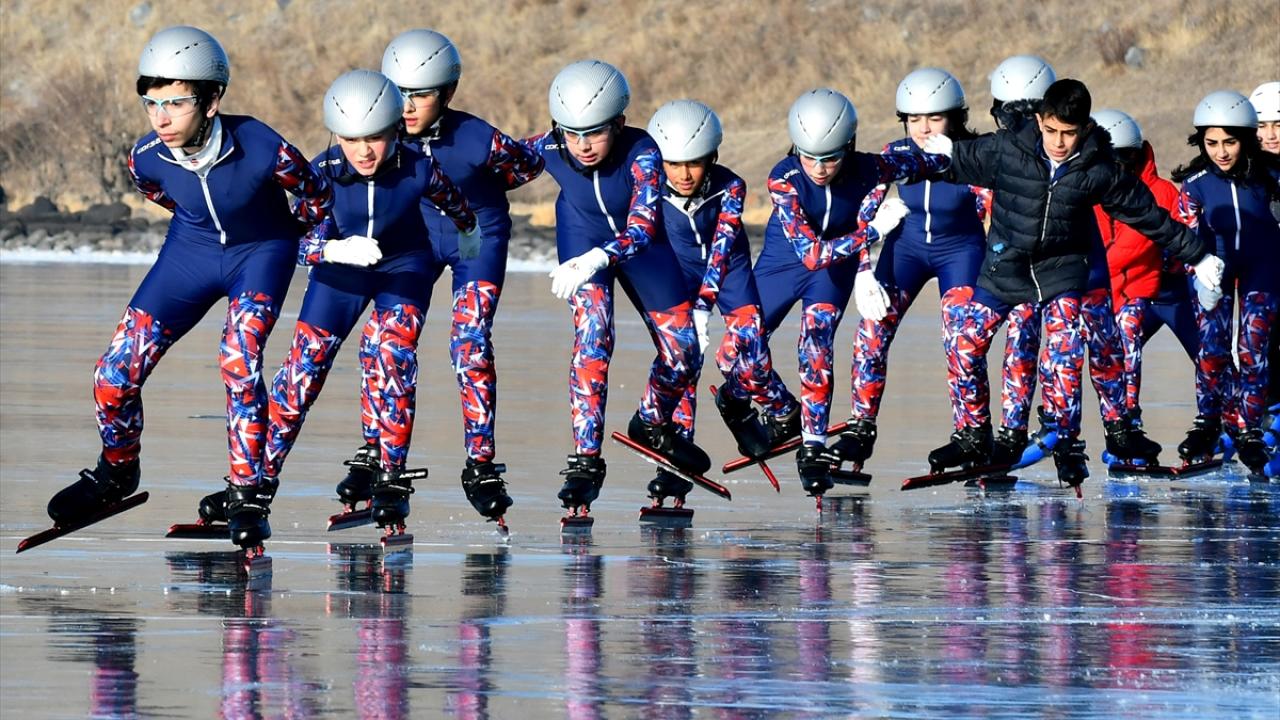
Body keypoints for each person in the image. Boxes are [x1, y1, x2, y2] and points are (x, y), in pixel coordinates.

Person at [44, 26, 333, 550]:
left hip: (261, 253)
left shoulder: (264, 146)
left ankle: (247, 494)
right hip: (191, 252)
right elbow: (160, 193)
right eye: (151, 103)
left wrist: (298, 247)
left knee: (238, 359)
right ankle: (116, 469)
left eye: (176, 102)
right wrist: (202, 230)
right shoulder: (145, 157)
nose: (161, 117)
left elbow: (316, 200)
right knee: (113, 373)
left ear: (212, 99)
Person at [922, 78, 1223, 486]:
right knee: (963, 344)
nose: (1059, 142)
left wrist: (1199, 255)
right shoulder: (1009, 148)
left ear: (1083, 128)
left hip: (1062, 273)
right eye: (1051, 131)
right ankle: (974, 435)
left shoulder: (1097, 169)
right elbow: (958, 159)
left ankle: (1066, 440)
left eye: (1068, 133)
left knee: (1063, 355)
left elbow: (1149, 217)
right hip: (1007, 270)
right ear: (1040, 120)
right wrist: (935, 155)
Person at [263, 70, 482, 536]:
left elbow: (455, 201)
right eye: (351, 139)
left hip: (404, 266)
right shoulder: (320, 175)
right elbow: (292, 243)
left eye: (376, 138)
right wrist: (331, 249)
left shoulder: (418, 167)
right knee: (300, 375)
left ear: (395, 131)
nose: (364, 151)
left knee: (393, 356)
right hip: (340, 271)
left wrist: (468, 231)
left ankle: (390, 477)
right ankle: (256, 481)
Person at [520, 60, 709, 517]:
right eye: (572, 133)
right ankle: (586, 460)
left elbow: (643, 227)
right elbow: (486, 165)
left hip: (639, 246)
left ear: (620, 123)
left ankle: (658, 429)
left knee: (684, 350)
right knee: (593, 338)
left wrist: (597, 258)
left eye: (596, 133)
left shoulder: (643, 150)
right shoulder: (547, 146)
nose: (583, 146)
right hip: (579, 236)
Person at [371, 29, 544, 523]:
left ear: (447, 93)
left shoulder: (477, 137)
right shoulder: (377, 134)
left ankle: (482, 465)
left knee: (469, 343)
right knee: (389, 342)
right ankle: (386, 467)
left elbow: (528, 164)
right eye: (397, 92)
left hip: (477, 237)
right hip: (417, 239)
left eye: (420, 94)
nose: (406, 106)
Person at [754, 88, 945, 497]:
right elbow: (810, 254)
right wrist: (875, 233)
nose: (820, 169)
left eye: (831, 157)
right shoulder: (782, 177)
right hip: (786, 262)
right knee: (737, 352)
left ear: (849, 146)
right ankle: (778, 410)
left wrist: (948, 152)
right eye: (810, 157)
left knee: (816, 345)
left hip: (833, 268)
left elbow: (927, 159)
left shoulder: (872, 169)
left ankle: (813, 446)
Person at [643, 98, 802, 505]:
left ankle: (776, 411)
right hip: (675, 274)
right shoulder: (646, 185)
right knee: (684, 363)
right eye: (673, 164)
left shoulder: (731, 186)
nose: (683, 174)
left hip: (727, 269)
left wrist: (703, 307)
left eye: (693, 163)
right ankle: (674, 462)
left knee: (751, 350)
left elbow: (721, 249)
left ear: (712, 156)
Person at [834, 67, 993, 473]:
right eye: (914, 119)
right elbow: (865, 215)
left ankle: (972, 433)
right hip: (905, 250)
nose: (923, 128)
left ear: (954, 117)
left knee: (961, 342)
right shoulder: (895, 153)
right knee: (871, 331)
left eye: (934, 118)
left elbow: (992, 214)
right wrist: (863, 271)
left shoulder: (976, 154)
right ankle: (859, 429)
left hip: (961, 251)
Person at [1172, 90, 1280, 474]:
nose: (1221, 151)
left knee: (1253, 351)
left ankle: (1250, 429)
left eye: (1230, 142)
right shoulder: (1195, 182)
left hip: (1263, 269)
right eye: (1212, 142)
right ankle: (1209, 420)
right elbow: (1182, 235)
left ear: (1246, 139)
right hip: (1212, 270)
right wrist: (1197, 268)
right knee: (1212, 348)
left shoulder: (1271, 176)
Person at [1091, 109, 1203, 450]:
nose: (1120, 168)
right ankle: (1127, 424)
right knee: (1123, 353)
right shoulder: (1090, 192)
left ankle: (1221, 423)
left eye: (1128, 158)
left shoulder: (1162, 193)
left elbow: (1132, 248)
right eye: (1112, 159)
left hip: (1173, 293)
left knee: (1210, 358)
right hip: (1132, 295)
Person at [1248, 82, 1280, 414]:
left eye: (1278, 125)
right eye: (1262, 126)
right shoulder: (1244, 172)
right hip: (1259, 285)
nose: (1270, 134)